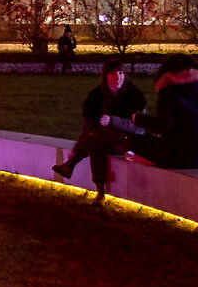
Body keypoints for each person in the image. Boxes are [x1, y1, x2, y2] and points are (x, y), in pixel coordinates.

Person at [51, 59, 146, 193]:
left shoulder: (135, 96)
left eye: (120, 73)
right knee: (98, 144)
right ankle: (100, 189)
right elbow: (87, 127)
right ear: (105, 76)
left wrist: (113, 121)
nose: (118, 77)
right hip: (105, 140)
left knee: (99, 133)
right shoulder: (96, 96)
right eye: (113, 73)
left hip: (129, 142)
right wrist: (77, 147)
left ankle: (71, 165)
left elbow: (138, 128)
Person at [141, 54, 198, 170]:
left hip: (177, 156)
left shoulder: (167, 92)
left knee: (135, 142)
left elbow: (164, 125)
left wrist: (139, 119)